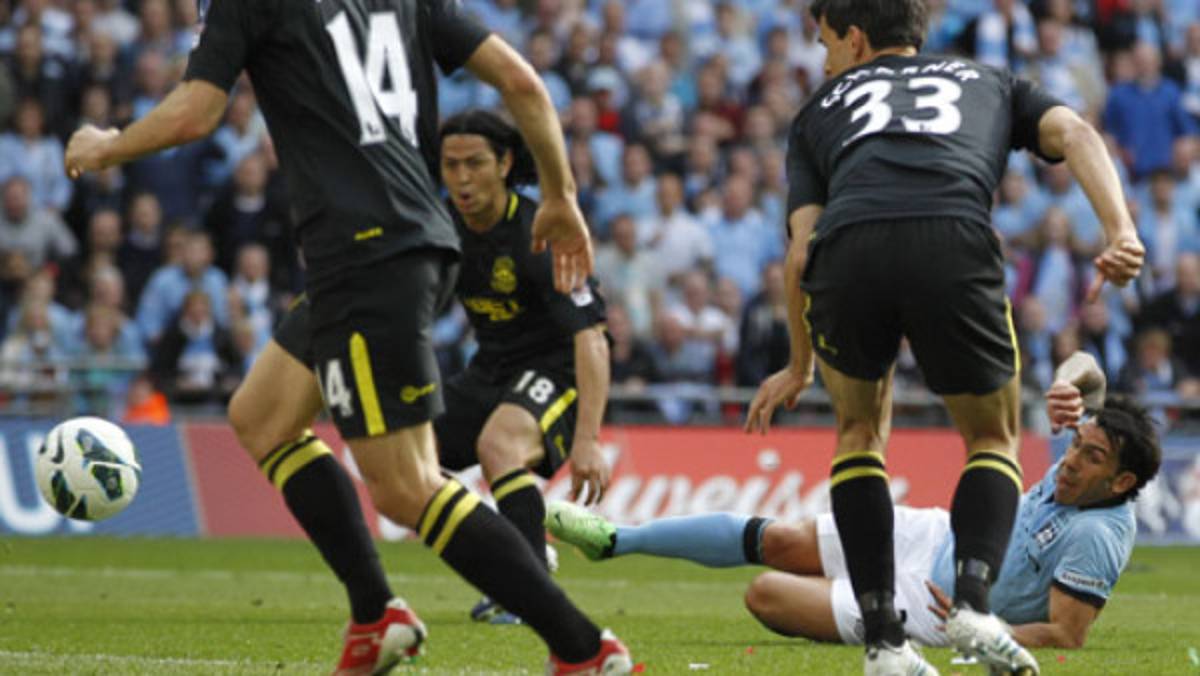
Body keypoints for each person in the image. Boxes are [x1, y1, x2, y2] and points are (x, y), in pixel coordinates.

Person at [62, 1, 630, 674]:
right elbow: (523, 81)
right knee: (262, 416)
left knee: (406, 487)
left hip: (367, 256)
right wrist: (561, 194)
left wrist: (107, 145)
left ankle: (583, 649)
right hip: (401, 246)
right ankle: (375, 613)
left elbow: (196, 112)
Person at [743, 1, 1145, 674]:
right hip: (952, 239)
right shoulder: (988, 80)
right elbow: (1076, 131)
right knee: (991, 437)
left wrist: (798, 362)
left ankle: (883, 642)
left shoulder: (817, 111)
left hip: (849, 249)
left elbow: (800, 252)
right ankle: (973, 607)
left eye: (825, 43)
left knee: (859, 436)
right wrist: (1121, 231)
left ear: (855, 39)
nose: (825, 60)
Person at [548, 353, 1161, 655]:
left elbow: (1067, 634)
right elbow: (1088, 368)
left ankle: (876, 622)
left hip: (933, 608)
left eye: (1090, 458)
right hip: (938, 535)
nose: (1070, 461)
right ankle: (615, 540)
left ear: (1122, 482)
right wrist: (1066, 382)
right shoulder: (1090, 458)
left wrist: (982, 630)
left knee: (765, 593)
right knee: (781, 538)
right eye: (1075, 446)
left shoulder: (1099, 535)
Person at [434, 110, 611, 625]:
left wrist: (588, 439)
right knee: (403, 459)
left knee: (499, 446)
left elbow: (592, 338)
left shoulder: (542, 234)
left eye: (475, 163)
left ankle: (527, 588)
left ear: (505, 163)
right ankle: (515, 550)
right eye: (451, 165)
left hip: (558, 370)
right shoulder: (440, 226)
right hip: (490, 369)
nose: (463, 179)